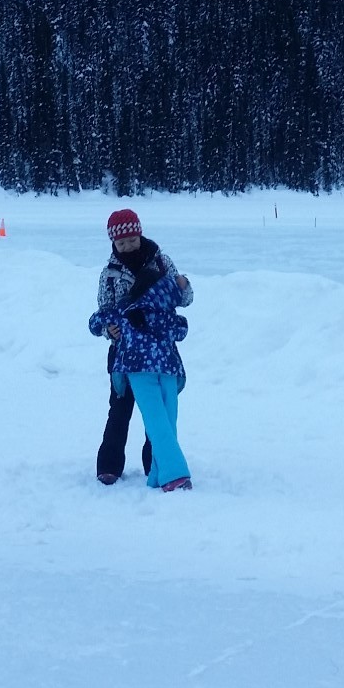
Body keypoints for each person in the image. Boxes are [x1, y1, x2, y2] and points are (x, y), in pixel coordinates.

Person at [89, 207, 194, 490]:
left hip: (159, 348)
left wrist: (184, 287)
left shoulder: (161, 262)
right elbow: (105, 309)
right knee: (120, 409)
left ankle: (155, 465)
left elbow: (183, 296)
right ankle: (109, 466)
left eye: (131, 240)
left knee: (157, 409)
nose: (127, 247)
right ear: (113, 243)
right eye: (121, 243)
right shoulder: (110, 272)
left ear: (139, 234)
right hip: (124, 351)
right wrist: (109, 331)